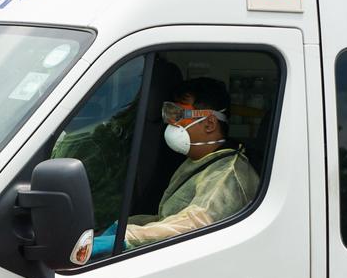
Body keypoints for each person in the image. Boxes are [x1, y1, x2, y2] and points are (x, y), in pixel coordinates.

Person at [92, 77, 260, 256]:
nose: (171, 122)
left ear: (209, 123)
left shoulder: (227, 175)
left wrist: (127, 237)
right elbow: (169, 220)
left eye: (179, 114)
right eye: (169, 113)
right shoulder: (202, 160)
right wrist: (123, 226)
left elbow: (194, 226)